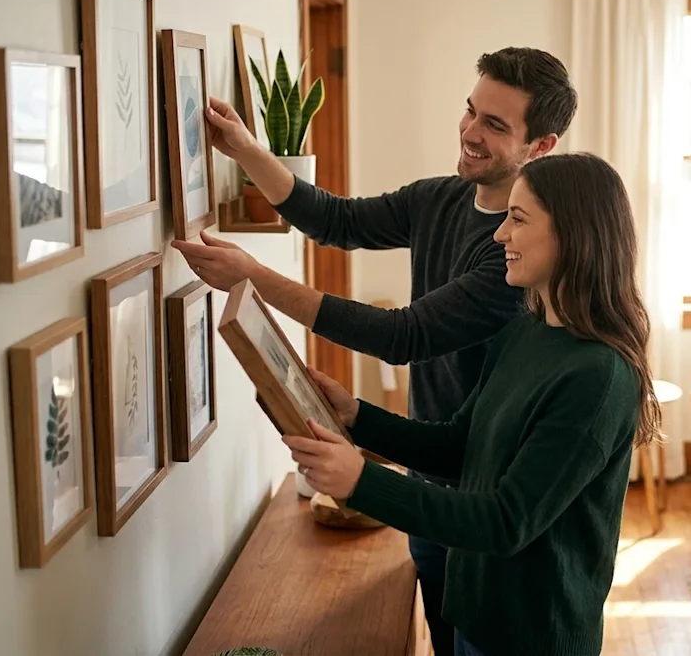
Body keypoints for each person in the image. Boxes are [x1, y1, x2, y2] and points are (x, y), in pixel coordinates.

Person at [171, 47, 579, 656]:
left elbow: (401, 336)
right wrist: (247, 149)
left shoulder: (515, 252)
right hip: (426, 461)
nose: (470, 132)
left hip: (483, 487)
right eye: (471, 111)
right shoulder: (439, 199)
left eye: (495, 125)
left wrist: (253, 279)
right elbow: (336, 220)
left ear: (541, 146)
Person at [282, 152, 664, 656]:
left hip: (532, 639)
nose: (500, 234)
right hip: (475, 616)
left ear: (574, 235)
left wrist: (361, 481)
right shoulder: (523, 333)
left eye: (518, 219)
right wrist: (356, 416)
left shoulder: (599, 377)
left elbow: (506, 521)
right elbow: (460, 447)